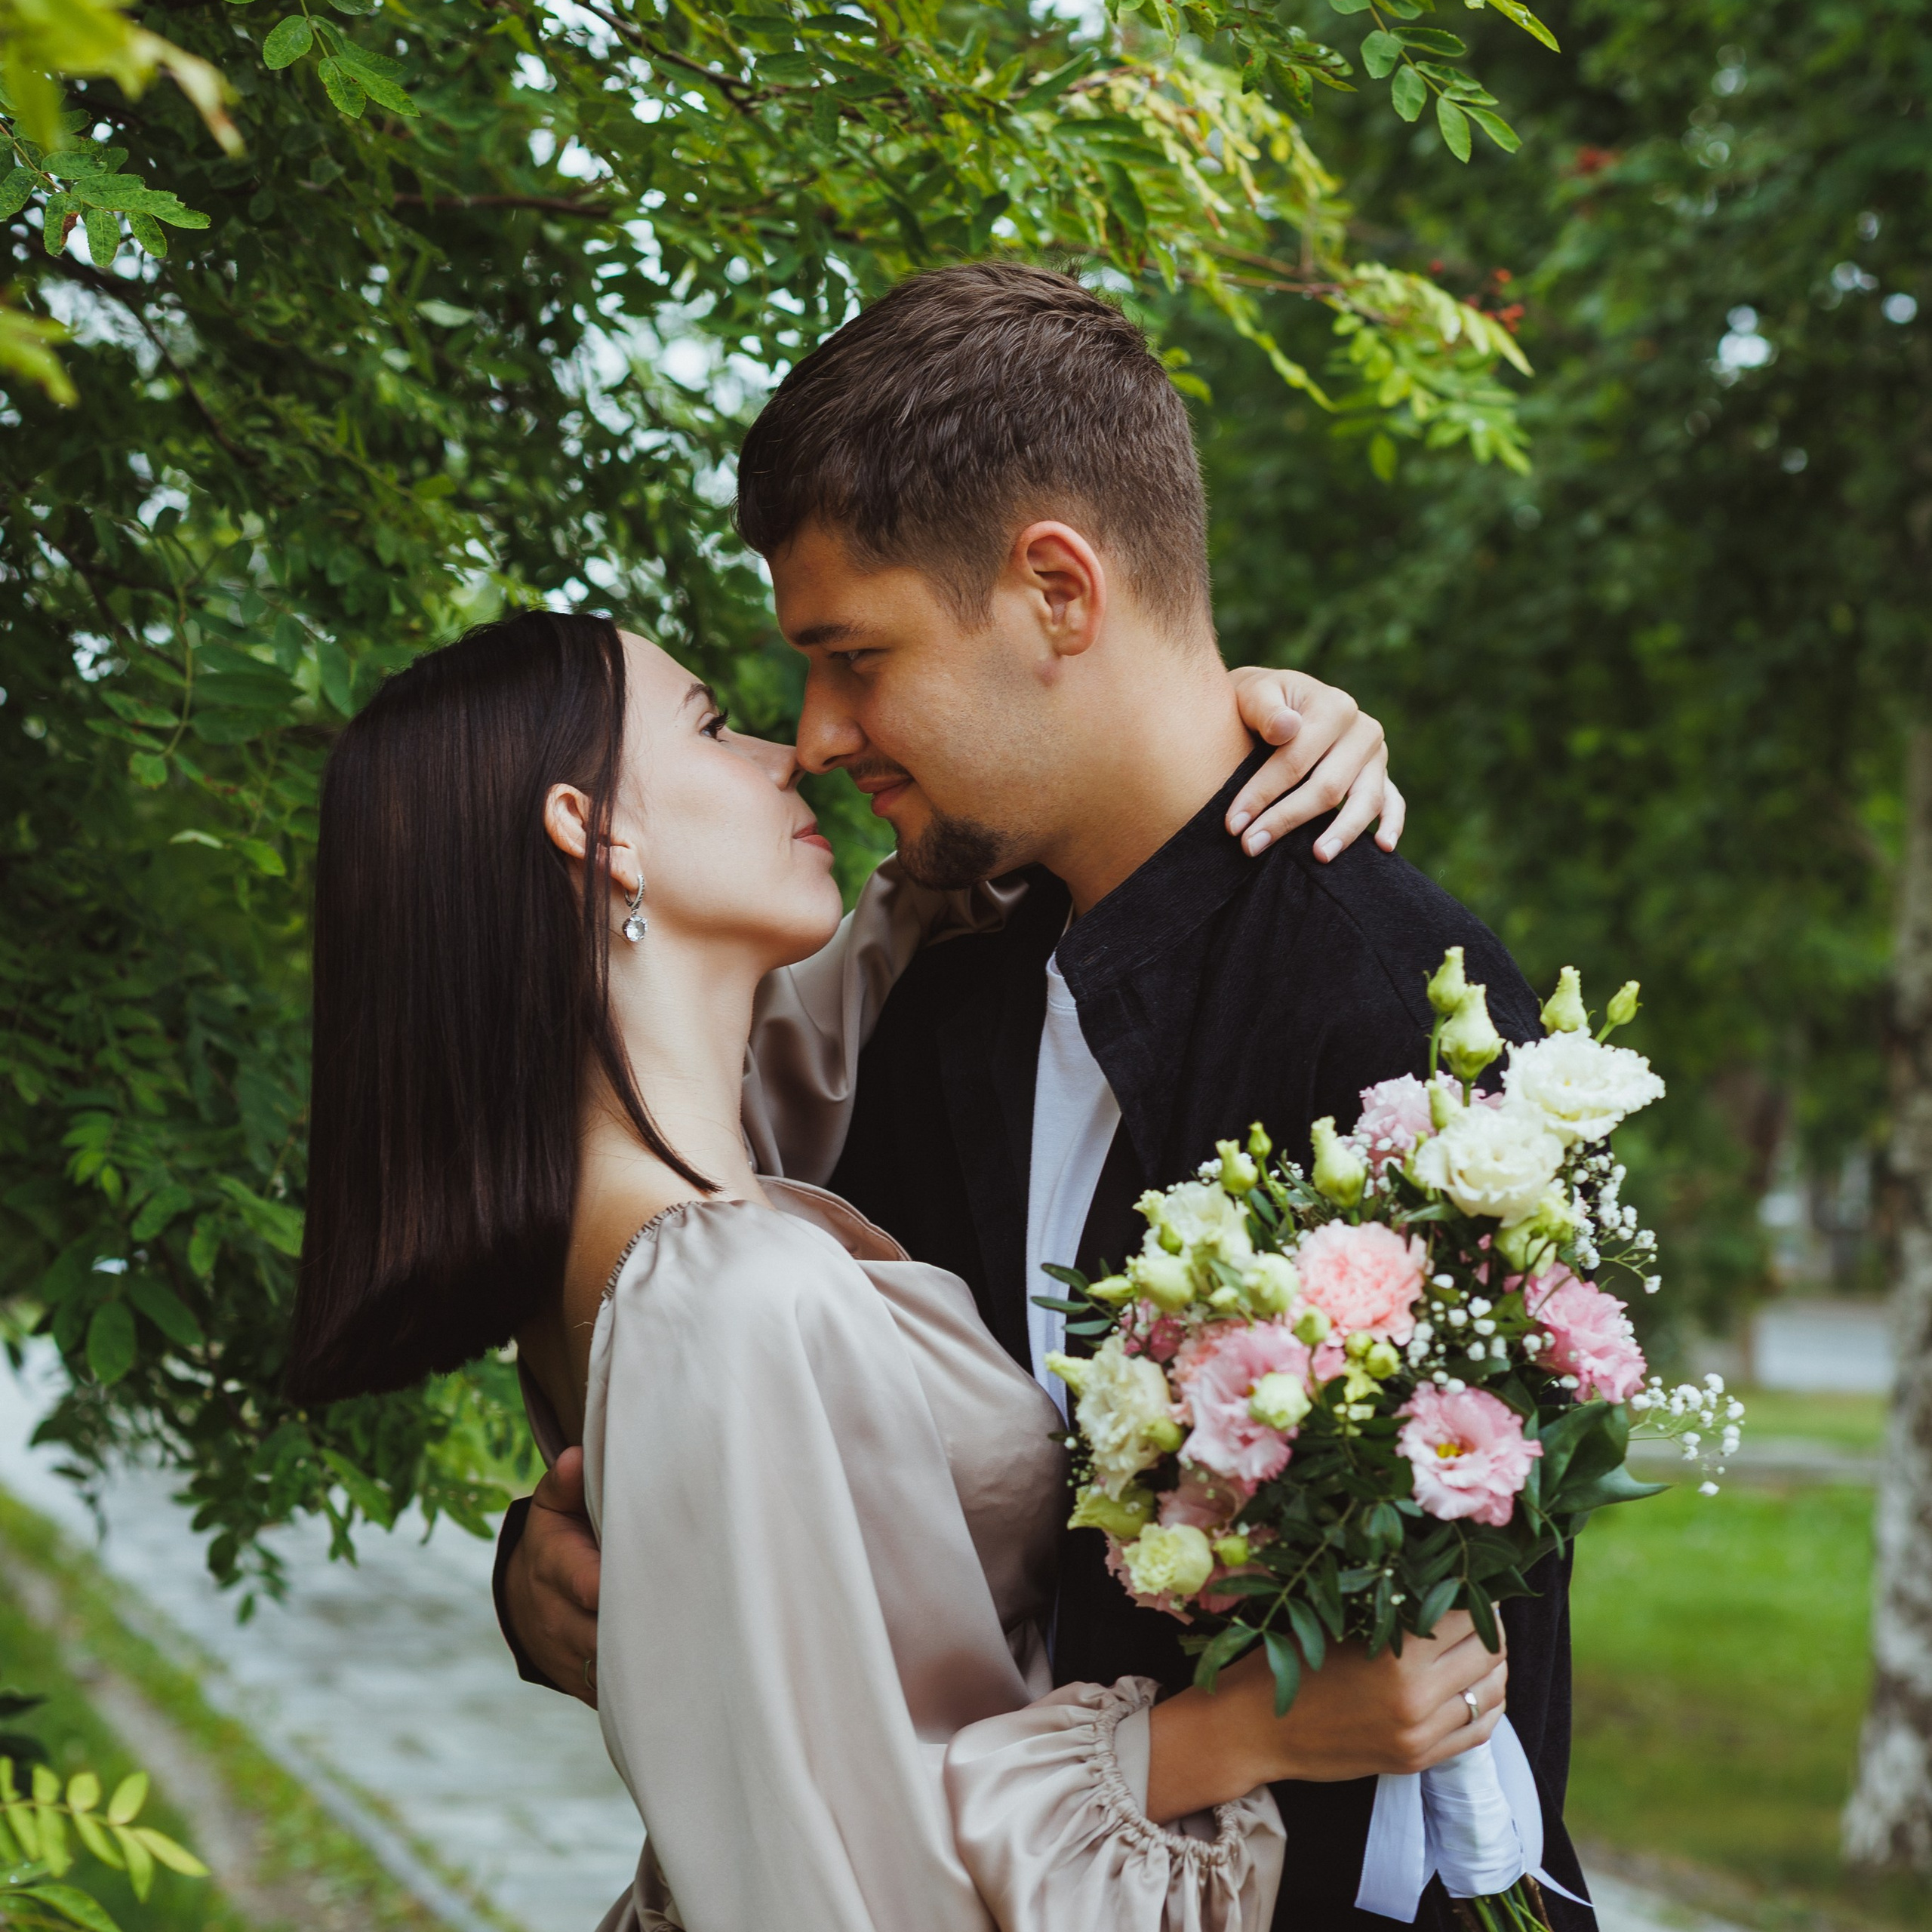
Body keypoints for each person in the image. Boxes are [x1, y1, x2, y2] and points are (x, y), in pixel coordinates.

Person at [498, 262, 1598, 1930]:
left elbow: (1452, 1695)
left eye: (852, 656)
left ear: (1057, 592)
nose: (815, 732)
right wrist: (587, 1553)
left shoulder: (1382, 1005)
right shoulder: (941, 988)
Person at [286, 608, 1506, 1932]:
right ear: (596, 828)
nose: (791, 753)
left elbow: (940, 882)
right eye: (710, 724)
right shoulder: (725, 1289)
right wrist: (1238, 1733)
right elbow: (848, 1882)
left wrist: (1212, 719)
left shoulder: (690, 1173)